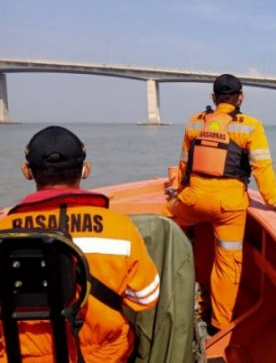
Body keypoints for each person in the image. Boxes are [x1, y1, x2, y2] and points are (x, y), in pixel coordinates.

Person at [0, 126, 160, 362]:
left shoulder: (4, 230)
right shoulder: (119, 228)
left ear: (27, 172)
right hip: (104, 355)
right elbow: (146, 298)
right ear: (86, 170)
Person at [167, 74, 276, 332]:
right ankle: (218, 326)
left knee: (168, 227)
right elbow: (262, 167)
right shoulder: (250, 126)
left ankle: (171, 288)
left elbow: (183, 164)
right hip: (230, 206)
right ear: (241, 97)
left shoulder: (194, 123)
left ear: (213, 98)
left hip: (193, 199)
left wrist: (179, 194)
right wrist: (274, 200)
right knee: (227, 263)